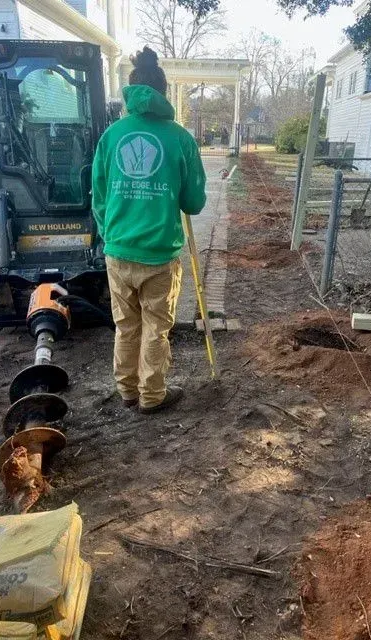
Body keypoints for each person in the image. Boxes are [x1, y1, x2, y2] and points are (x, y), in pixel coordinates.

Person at [92, 46, 206, 414]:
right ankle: (152, 396)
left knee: (126, 326)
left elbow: (99, 196)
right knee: (156, 328)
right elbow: (194, 203)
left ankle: (126, 390)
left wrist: (110, 233)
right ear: (163, 91)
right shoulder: (180, 138)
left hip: (118, 251)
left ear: (131, 88)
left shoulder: (111, 136)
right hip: (159, 254)